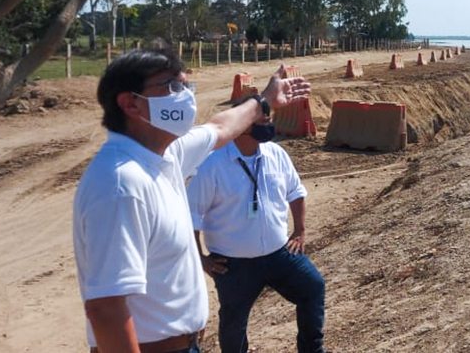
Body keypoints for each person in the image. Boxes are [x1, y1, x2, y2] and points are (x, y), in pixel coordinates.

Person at [73, 47, 310, 353]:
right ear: (130, 103)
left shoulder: (166, 156)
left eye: (186, 86)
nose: (184, 96)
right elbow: (106, 309)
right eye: (172, 87)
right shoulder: (121, 184)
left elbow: (221, 127)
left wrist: (265, 98)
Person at [187, 91, 330, 353]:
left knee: (313, 288)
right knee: (233, 322)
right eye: (260, 119)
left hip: (279, 255)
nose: (268, 123)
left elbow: (295, 193)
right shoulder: (211, 164)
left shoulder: (276, 154)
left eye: (267, 118)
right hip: (233, 265)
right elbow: (190, 217)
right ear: (241, 124)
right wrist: (202, 259)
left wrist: (300, 231)